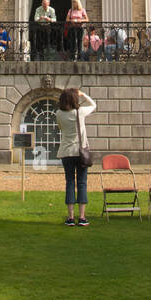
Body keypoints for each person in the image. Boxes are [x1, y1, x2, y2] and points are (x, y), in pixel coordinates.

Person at [55, 86, 97, 226]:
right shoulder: (80, 112)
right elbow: (94, 105)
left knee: (70, 183)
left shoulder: (59, 114)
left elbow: (60, 127)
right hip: (80, 151)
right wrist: (83, 95)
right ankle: (82, 217)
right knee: (82, 183)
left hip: (66, 152)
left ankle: (71, 217)